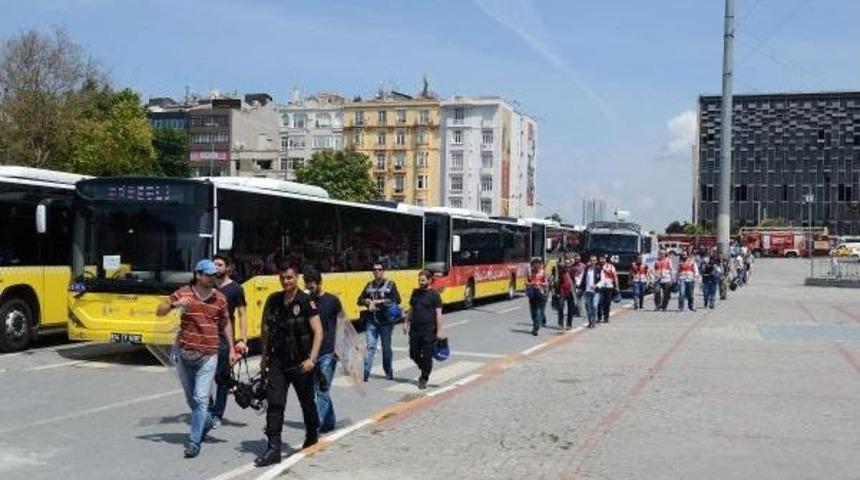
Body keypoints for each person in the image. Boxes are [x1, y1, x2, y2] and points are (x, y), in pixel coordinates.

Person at [156, 259, 238, 459]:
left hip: (209, 355)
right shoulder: (183, 293)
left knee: (201, 399)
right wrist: (175, 305)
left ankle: (194, 442)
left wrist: (232, 348)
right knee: (191, 399)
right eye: (210, 275)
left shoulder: (219, 298)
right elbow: (160, 311)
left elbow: (226, 323)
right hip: (184, 355)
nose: (214, 278)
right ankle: (207, 420)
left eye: (215, 275)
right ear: (199, 275)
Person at [255, 265, 323, 467]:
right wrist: (264, 356)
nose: (287, 281)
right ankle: (273, 448)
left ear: (296, 278)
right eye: (283, 278)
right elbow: (267, 331)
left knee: (307, 403)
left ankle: (311, 435)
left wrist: (312, 359)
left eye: (290, 278)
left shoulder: (305, 301)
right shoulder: (273, 300)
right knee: (275, 404)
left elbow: (318, 331)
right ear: (279, 278)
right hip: (278, 362)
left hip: (301, 363)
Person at [209, 255, 249, 428]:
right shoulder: (207, 286)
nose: (216, 267)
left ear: (228, 268)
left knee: (221, 377)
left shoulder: (236, 289)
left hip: (225, 339)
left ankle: (217, 414)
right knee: (203, 376)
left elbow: (242, 315)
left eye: (220, 264)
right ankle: (208, 409)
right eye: (214, 264)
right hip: (207, 337)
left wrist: (243, 340)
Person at [303, 268, 343, 434]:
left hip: (328, 350)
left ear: (319, 283)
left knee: (321, 389)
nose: (309, 289)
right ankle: (329, 420)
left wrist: (339, 348)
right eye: (307, 286)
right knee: (320, 389)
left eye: (311, 286)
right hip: (312, 352)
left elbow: (342, 324)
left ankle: (316, 423)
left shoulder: (332, 300)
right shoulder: (307, 301)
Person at [357, 263, 401, 381]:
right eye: (375, 269)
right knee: (370, 347)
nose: (377, 271)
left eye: (379, 269)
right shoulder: (369, 285)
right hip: (372, 321)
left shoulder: (390, 285)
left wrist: (379, 302)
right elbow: (359, 300)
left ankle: (388, 371)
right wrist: (367, 301)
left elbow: (397, 299)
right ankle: (366, 373)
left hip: (386, 322)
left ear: (383, 271)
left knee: (386, 348)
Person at [403, 269, 444, 389]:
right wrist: (406, 322)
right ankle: (425, 367)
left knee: (427, 355)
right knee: (413, 354)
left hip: (429, 330)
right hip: (415, 329)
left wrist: (440, 330)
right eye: (419, 280)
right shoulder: (415, 292)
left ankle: (423, 378)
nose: (420, 282)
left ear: (430, 280)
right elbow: (411, 309)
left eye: (423, 280)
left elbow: (438, 314)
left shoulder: (435, 295)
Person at [526, 258, 549, 336]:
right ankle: (536, 325)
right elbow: (526, 282)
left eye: (537, 264)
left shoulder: (543, 273)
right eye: (533, 264)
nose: (535, 266)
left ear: (539, 265)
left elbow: (546, 283)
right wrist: (531, 283)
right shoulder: (530, 273)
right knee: (533, 312)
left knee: (538, 312)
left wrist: (539, 284)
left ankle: (536, 328)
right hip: (532, 294)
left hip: (540, 294)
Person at [578, 255, 601, 328]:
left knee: (594, 305)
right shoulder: (586, 269)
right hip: (587, 291)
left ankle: (593, 320)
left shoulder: (599, 269)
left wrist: (596, 285)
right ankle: (590, 321)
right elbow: (583, 279)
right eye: (591, 260)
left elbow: (603, 280)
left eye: (594, 260)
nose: (592, 262)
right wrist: (580, 288)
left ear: (596, 261)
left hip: (596, 291)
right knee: (588, 307)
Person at [554, 257, 576, 330]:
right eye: (566, 263)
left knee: (571, 309)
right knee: (560, 307)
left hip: (570, 291)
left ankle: (569, 324)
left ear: (571, 263)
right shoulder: (561, 270)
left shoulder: (572, 270)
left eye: (568, 263)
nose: (567, 264)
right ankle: (560, 324)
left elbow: (575, 279)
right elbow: (558, 265)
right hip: (562, 291)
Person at [596, 255, 617, 323]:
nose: (601, 260)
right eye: (600, 259)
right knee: (599, 302)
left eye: (603, 259)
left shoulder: (610, 266)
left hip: (609, 286)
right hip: (600, 287)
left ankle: (606, 317)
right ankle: (599, 318)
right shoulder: (597, 267)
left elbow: (615, 276)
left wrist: (617, 286)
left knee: (607, 303)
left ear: (605, 259)